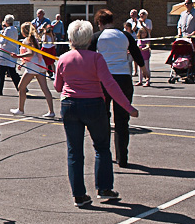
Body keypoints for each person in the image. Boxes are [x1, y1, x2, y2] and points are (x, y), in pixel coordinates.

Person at [54, 20, 138, 207]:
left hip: (69, 105)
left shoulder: (63, 58)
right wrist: (127, 107)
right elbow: (110, 85)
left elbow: (58, 87)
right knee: (101, 147)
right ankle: (104, 187)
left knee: (74, 151)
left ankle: (79, 194)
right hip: (93, 105)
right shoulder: (96, 58)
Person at [89, 9, 144, 168]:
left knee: (103, 117)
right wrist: (143, 68)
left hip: (103, 79)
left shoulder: (97, 37)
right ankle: (122, 158)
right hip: (123, 78)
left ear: (99, 22)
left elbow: (88, 57)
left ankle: (104, 153)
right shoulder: (125, 35)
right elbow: (136, 52)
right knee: (122, 120)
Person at [9, 22, 55, 118]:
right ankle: (51, 111)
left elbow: (30, 53)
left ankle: (20, 109)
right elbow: (33, 54)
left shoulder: (27, 41)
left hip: (33, 67)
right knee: (45, 88)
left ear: (23, 31)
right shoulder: (34, 39)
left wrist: (18, 56)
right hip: (40, 64)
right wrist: (22, 63)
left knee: (21, 87)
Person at [0, 15, 21, 96]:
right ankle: (21, 87)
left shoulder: (8, 30)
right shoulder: (15, 29)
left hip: (5, 53)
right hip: (12, 52)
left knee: (1, 73)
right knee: (12, 72)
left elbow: (3, 41)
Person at [177, 0, 195, 81]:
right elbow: (179, 25)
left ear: (192, 4)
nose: (187, 5)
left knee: (192, 56)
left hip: (192, 38)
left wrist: (192, 34)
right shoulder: (183, 13)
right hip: (183, 38)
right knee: (181, 55)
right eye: (185, 4)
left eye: (188, 3)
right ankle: (182, 72)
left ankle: (194, 74)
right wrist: (179, 33)